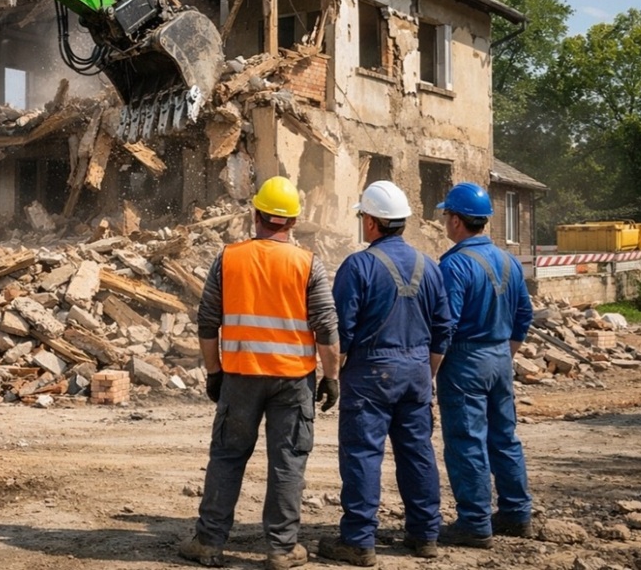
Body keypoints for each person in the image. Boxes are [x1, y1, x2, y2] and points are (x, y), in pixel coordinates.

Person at [179, 176, 341, 570]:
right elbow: (327, 328)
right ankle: (282, 549)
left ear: (256, 215)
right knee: (288, 461)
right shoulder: (307, 263)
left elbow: (207, 321)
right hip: (293, 381)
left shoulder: (230, 258)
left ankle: (209, 543)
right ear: (293, 222)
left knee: (227, 456)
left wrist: (213, 371)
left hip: (240, 376)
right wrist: (332, 376)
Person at [318, 181, 452, 567]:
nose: (361, 222)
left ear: (373, 222)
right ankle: (425, 535)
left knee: (362, 454)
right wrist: (426, 373)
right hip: (416, 372)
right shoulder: (431, 266)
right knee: (418, 453)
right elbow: (442, 329)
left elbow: (340, 328)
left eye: (363, 216)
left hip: (371, 373)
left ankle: (359, 541)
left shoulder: (358, 266)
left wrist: (331, 373)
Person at [435, 182, 534, 547]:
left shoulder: (455, 264)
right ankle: (516, 514)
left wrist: (431, 369)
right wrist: (505, 354)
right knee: (504, 438)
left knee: (466, 441)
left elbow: (445, 324)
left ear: (457, 221)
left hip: (465, 360)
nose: (446, 222)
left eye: (447, 215)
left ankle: (474, 523)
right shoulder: (509, 261)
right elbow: (525, 314)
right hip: (499, 358)